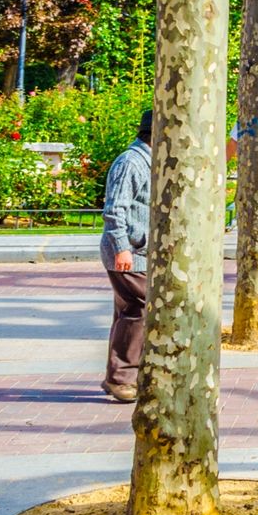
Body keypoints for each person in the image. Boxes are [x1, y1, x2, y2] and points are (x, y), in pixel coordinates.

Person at [99, 110, 154, 403]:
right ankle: (122, 378)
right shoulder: (131, 162)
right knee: (139, 307)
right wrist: (122, 247)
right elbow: (114, 209)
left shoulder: (148, 161)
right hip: (129, 252)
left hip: (139, 251)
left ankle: (118, 377)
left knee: (128, 311)